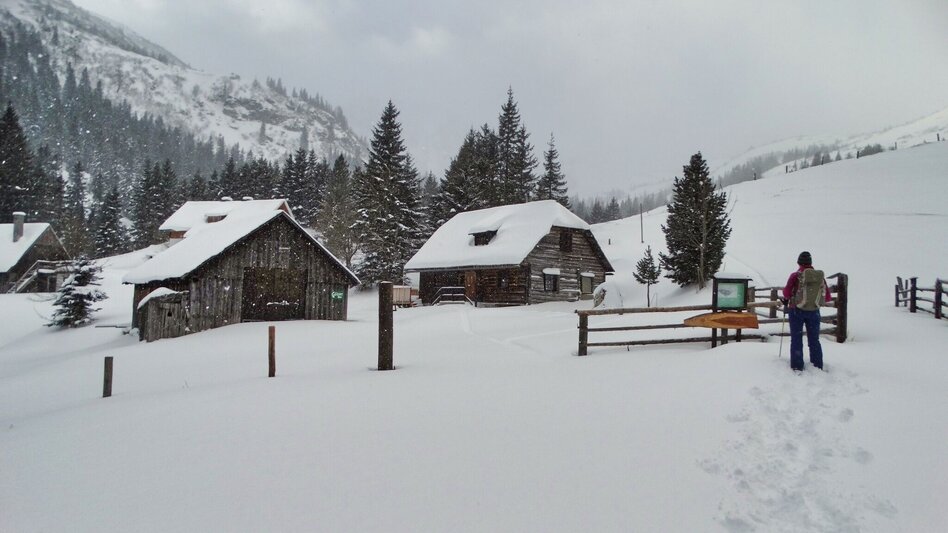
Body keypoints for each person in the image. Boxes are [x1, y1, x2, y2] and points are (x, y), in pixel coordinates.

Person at [782, 251, 832, 371]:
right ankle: (817, 365)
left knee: (796, 339)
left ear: (799, 262)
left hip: (796, 310)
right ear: (811, 262)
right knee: (814, 339)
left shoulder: (795, 275)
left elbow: (786, 293)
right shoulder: (819, 277)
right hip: (814, 311)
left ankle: (797, 366)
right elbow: (828, 297)